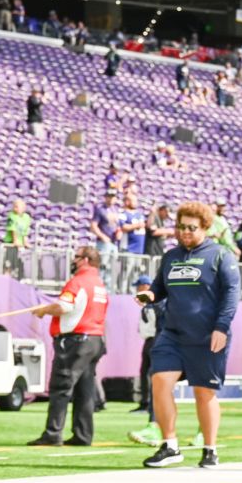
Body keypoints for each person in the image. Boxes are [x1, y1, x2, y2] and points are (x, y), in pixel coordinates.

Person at [135, 202, 240, 469]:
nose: (184, 232)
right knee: (159, 381)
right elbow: (159, 288)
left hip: (208, 335)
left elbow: (231, 295)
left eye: (191, 228)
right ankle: (170, 445)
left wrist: (222, 327)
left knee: (204, 393)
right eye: (180, 227)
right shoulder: (170, 257)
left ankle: (210, 449)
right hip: (172, 334)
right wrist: (149, 295)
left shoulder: (221, 255)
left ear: (205, 227)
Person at [26, 246, 109, 447]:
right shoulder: (99, 283)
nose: (74, 261)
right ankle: (83, 435)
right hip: (95, 340)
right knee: (84, 390)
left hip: (76, 340)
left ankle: (53, 433)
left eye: (77, 257)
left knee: (61, 388)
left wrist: (44, 310)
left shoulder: (78, 282)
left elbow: (64, 306)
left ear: (86, 260)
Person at [126, 275, 165, 442]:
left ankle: (155, 421)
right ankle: (147, 408)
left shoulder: (158, 300)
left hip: (160, 339)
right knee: (146, 374)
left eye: (140, 286)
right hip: (151, 340)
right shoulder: (149, 302)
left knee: (156, 378)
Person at [90, 189, 123, 282]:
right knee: (102, 265)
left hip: (114, 243)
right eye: (109, 196)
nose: (111, 199)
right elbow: (93, 226)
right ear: (105, 197)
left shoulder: (116, 210)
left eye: (113, 197)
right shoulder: (100, 210)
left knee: (111, 267)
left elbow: (118, 226)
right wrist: (102, 236)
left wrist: (119, 232)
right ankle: (98, 284)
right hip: (103, 243)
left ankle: (109, 289)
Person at [4, 198, 32, 277]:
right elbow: (13, 230)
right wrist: (15, 241)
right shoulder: (11, 215)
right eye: (14, 206)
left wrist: (25, 242)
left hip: (20, 245)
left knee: (18, 265)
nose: (15, 208)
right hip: (11, 243)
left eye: (17, 206)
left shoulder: (26, 217)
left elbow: (25, 232)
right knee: (8, 264)